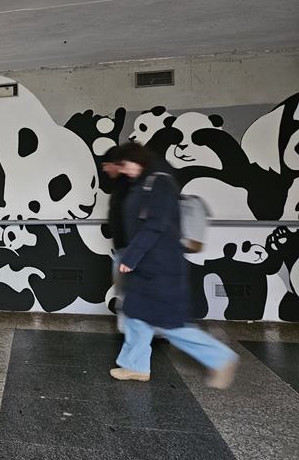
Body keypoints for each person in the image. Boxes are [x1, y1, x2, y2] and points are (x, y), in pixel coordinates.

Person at [109, 142, 239, 389]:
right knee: (135, 316)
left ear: (137, 160)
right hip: (146, 266)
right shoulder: (143, 182)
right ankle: (135, 366)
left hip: (161, 267)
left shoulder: (160, 183)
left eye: (125, 165)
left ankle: (221, 358)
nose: (123, 170)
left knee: (170, 325)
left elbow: (155, 225)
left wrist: (130, 257)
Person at [100, 146, 129, 332]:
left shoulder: (130, 186)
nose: (104, 169)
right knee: (125, 293)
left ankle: (129, 329)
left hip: (129, 250)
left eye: (106, 164)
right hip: (124, 249)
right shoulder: (121, 185)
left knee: (127, 293)